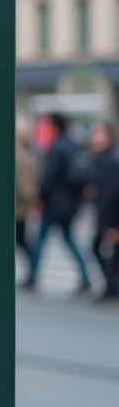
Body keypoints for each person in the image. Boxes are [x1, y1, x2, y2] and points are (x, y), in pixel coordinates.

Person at [25, 112, 92, 292]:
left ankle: (32, 276)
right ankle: (86, 278)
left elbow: (49, 177)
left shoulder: (56, 147)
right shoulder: (75, 145)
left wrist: (39, 197)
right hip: (71, 202)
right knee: (69, 239)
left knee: (40, 240)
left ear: (54, 126)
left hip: (54, 203)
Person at [88, 121, 119, 300]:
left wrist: (112, 224)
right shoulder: (102, 157)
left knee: (99, 247)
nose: (94, 138)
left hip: (111, 216)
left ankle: (111, 286)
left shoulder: (110, 159)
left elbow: (112, 194)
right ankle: (112, 285)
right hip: (107, 214)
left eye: (98, 133)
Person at [16, 121, 37, 261]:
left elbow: (25, 187)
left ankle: (34, 264)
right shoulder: (25, 154)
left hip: (19, 207)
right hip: (21, 205)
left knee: (21, 239)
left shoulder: (19, 155)